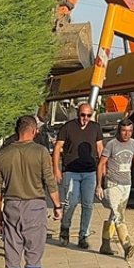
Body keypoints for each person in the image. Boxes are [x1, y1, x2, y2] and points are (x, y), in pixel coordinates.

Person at [0, 115, 62, 268]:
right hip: (35, 208)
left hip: (11, 207)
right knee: (33, 258)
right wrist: (57, 205)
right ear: (33, 131)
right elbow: (50, 182)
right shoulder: (40, 152)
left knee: (12, 257)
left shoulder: (3, 155)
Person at [95, 118, 134, 258]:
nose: (126, 134)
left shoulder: (133, 143)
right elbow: (101, 164)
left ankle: (105, 244)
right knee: (118, 216)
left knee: (115, 214)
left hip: (126, 184)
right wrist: (99, 185)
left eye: (129, 131)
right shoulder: (111, 145)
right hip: (113, 185)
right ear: (118, 131)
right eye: (124, 131)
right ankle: (127, 246)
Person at [53, 102, 104, 248]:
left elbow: (100, 148)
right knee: (71, 202)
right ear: (78, 114)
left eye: (88, 115)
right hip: (71, 171)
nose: (85, 118)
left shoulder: (96, 128)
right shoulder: (68, 127)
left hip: (90, 172)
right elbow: (57, 148)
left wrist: (103, 167)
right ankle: (65, 229)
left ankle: (84, 236)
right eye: (83, 115)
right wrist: (56, 169)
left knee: (88, 204)